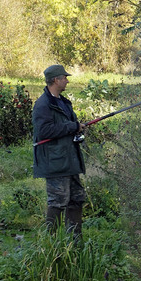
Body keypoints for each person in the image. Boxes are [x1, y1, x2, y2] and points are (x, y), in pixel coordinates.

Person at [32, 63, 86, 236]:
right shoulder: (43, 104)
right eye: (64, 78)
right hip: (55, 162)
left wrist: (78, 128)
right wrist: (72, 127)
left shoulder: (64, 102)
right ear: (56, 80)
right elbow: (44, 131)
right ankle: (51, 244)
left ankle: (74, 242)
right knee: (57, 202)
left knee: (76, 199)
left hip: (70, 160)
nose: (67, 81)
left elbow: (68, 126)